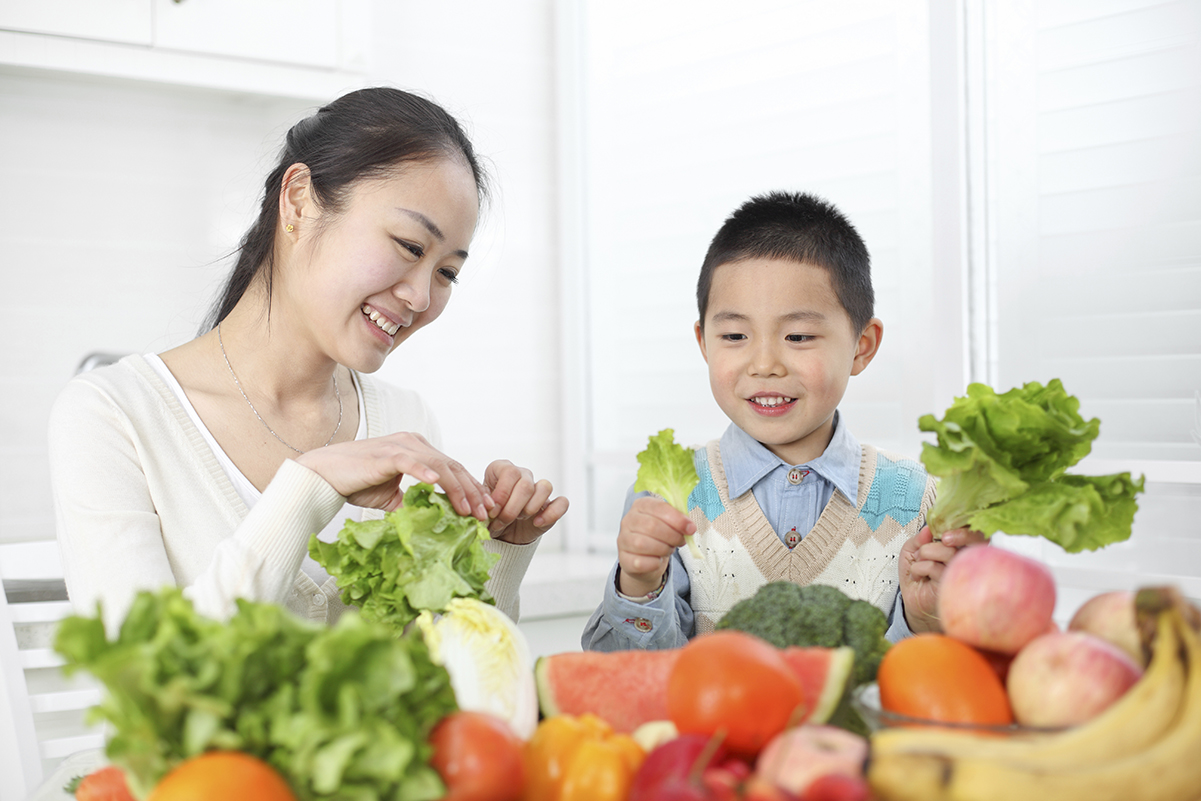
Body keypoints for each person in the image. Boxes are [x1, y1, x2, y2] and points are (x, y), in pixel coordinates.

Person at [48, 87, 568, 633]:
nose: (421, 297)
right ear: (298, 201)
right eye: (411, 246)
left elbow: (442, 691)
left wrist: (498, 560)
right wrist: (306, 488)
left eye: (447, 273)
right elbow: (141, 677)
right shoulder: (111, 416)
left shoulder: (405, 426)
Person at [581, 191, 981, 651]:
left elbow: (922, 688)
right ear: (704, 342)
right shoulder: (669, 492)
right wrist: (639, 582)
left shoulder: (922, 501)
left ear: (862, 346)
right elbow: (629, 677)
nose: (764, 363)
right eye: (734, 335)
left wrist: (925, 618)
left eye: (798, 335)